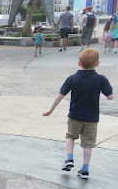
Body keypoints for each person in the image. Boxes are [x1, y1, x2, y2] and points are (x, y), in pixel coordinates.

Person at [42, 48, 113, 179]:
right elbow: (110, 97)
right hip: (92, 118)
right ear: (97, 63)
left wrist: (50, 110)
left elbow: (60, 95)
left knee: (70, 137)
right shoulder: (101, 79)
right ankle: (85, 169)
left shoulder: (72, 79)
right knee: (88, 144)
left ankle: (69, 158)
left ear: (79, 63)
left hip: (75, 116)